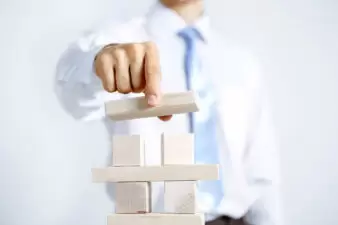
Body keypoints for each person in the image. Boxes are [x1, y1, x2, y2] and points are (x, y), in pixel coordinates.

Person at [55, 0, 282, 224]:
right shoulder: (118, 38)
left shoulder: (242, 62)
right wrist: (100, 65)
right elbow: (73, 87)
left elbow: (261, 173)